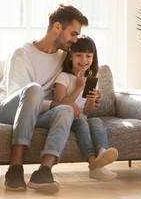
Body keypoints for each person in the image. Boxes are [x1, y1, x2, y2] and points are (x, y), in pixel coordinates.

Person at [0, 4, 94, 193]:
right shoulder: (22, 53)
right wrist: (54, 103)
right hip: (4, 111)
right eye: (73, 34)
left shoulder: (64, 57)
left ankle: (43, 172)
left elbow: (82, 73)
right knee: (35, 90)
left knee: (66, 109)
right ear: (58, 27)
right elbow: (19, 96)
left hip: (37, 114)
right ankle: (15, 168)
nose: (75, 40)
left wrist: (90, 99)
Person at [54, 35, 118, 182]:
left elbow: (88, 111)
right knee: (82, 122)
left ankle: (102, 152)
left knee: (96, 121)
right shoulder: (63, 77)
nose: (84, 60)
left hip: (83, 116)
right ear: (70, 56)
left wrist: (91, 100)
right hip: (67, 117)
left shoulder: (92, 80)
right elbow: (59, 103)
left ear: (93, 58)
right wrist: (78, 88)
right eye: (79, 55)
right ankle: (93, 165)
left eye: (88, 56)